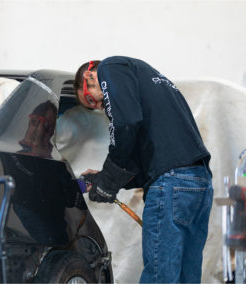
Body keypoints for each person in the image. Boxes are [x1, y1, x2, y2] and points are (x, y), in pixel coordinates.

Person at [73, 56, 213, 283]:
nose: (100, 107)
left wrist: (108, 181)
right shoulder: (149, 79)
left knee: (160, 278)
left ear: (90, 76)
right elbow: (147, 162)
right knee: (186, 278)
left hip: (171, 185)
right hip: (198, 184)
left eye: (92, 99)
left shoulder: (111, 67)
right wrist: (104, 179)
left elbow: (125, 124)